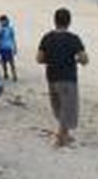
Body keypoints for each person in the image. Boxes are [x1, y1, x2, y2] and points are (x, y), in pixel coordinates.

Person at [37, 8, 89, 147]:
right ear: (69, 22)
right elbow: (84, 60)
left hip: (52, 77)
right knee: (68, 108)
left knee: (59, 108)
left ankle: (64, 134)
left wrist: (52, 58)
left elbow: (39, 59)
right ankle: (60, 138)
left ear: (55, 21)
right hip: (67, 78)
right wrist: (76, 60)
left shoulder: (47, 37)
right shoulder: (73, 39)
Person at [0, 14, 18, 81]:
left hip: (9, 48)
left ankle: (14, 75)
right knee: (4, 63)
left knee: (11, 62)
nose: (4, 22)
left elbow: (13, 38)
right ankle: (5, 73)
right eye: (2, 21)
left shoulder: (10, 29)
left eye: (5, 21)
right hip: (2, 48)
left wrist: (15, 47)